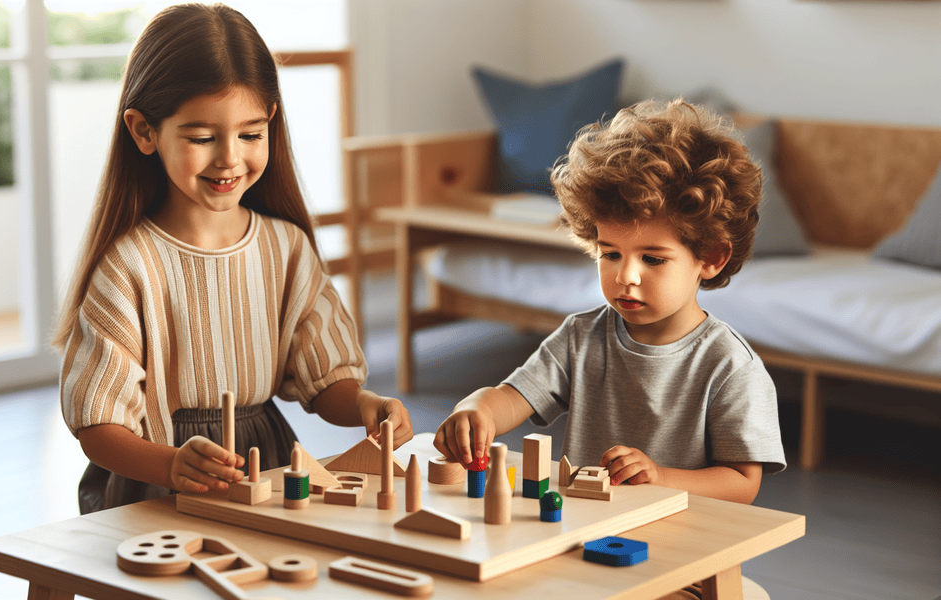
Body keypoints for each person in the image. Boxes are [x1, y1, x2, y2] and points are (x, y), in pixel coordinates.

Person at [54, 3, 412, 514]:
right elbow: (97, 424)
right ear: (143, 131)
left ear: (270, 119)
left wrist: (364, 406)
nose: (229, 158)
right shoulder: (128, 265)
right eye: (201, 137)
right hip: (155, 484)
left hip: (264, 470)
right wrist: (171, 464)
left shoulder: (286, 248)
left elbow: (326, 377)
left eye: (250, 134)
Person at [434, 99, 786, 507]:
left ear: (710, 258)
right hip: (586, 533)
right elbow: (512, 397)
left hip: (682, 544)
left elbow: (743, 483)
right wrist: (477, 409)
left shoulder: (730, 365)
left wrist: (660, 477)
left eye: (652, 259)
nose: (625, 276)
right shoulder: (581, 338)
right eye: (610, 254)